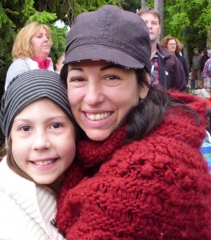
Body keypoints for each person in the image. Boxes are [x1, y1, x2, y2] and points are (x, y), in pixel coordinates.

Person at [55, 5, 211, 239]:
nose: (92, 97)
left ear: (143, 86)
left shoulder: (149, 171)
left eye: (111, 77)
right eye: (78, 78)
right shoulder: (93, 149)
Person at [0, 69, 77, 240]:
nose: (41, 143)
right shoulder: (3, 216)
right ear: (11, 140)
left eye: (56, 125)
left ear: (76, 131)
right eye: (25, 128)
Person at [137, 8, 187, 92]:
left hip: (163, 104)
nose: (149, 26)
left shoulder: (171, 59)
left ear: (159, 29)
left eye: (154, 23)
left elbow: (181, 91)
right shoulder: (127, 56)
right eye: (145, 22)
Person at [5, 21, 54, 90]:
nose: (46, 39)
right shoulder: (19, 65)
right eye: (39, 36)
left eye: (47, 37)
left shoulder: (49, 67)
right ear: (27, 42)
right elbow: (21, 94)